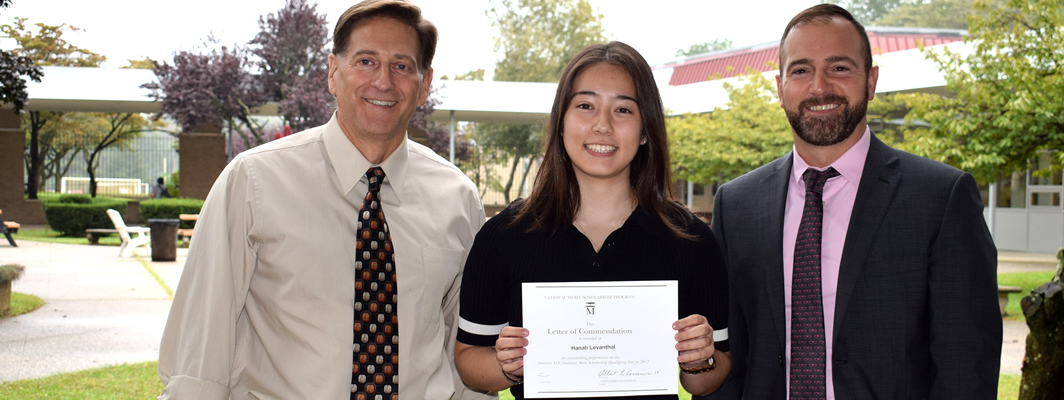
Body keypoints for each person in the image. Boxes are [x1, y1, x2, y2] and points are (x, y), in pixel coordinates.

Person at [157, 1, 488, 399]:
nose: (383, 81)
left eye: (401, 66)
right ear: (333, 72)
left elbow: (465, 350)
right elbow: (200, 350)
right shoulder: (254, 182)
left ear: (425, 84)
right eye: (366, 61)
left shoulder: (458, 198)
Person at [707, 4, 1000, 399]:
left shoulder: (941, 198)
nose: (819, 86)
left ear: (872, 80)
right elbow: (728, 355)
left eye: (840, 67)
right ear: (780, 87)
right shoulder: (736, 204)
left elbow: (966, 364)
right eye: (801, 70)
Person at [452, 42, 731, 400]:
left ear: (646, 130)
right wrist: (506, 366)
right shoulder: (504, 235)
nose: (602, 125)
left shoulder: (691, 239)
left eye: (623, 110)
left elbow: (711, 375)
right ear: (561, 122)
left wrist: (699, 359)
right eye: (585, 106)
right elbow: (469, 360)